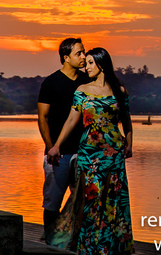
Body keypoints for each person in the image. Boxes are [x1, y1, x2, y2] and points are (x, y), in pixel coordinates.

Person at [47, 47, 133, 255]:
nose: (86, 66)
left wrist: (130, 144)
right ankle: (87, 247)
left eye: (91, 62)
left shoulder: (119, 91)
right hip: (89, 154)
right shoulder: (82, 90)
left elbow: (127, 121)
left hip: (113, 154)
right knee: (90, 200)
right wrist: (56, 145)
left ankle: (108, 248)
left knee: (112, 200)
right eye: (85, 62)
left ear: (102, 64)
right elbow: (71, 120)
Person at [37, 37, 88, 244]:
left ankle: (74, 240)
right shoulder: (51, 82)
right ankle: (49, 239)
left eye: (84, 52)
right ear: (66, 58)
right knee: (52, 201)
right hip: (59, 154)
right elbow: (43, 117)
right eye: (79, 53)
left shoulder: (87, 82)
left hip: (84, 152)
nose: (83, 57)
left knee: (82, 201)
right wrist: (51, 147)